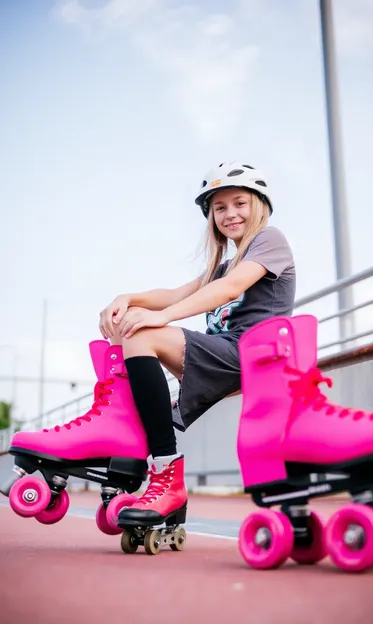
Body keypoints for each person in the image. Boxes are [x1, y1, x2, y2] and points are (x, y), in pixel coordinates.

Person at [101, 161, 296, 526]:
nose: (230, 214)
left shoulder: (270, 240)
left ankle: (164, 473)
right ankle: (126, 456)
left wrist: (164, 317)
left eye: (239, 203)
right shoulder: (221, 265)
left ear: (261, 206)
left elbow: (231, 288)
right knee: (127, 329)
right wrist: (128, 298)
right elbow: (175, 293)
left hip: (252, 353)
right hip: (223, 353)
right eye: (220, 208)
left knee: (143, 333)